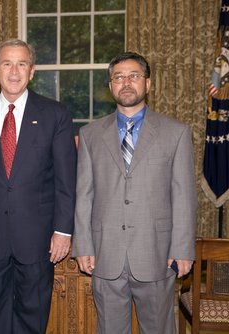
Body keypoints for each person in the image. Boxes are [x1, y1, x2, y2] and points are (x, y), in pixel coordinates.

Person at [72, 52, 197, 334]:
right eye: (118, 77)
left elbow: (184, 196)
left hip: (157, 253)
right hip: (106, 255)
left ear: (148, 84)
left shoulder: (176, 132)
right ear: (110, 85)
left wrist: (183, 248)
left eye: (134, 76)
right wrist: (83, 245)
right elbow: (85, 193)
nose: (126, 82)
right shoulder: (90, 134)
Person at [0, 38, 77, 333]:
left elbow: (66, 179)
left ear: (32, 71)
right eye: (7, 64)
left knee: (32, 315)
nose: (14, 71)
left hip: (38, 237)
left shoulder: (56, 114)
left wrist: (63, 231)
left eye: (21, 64)